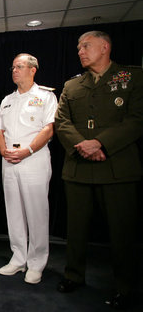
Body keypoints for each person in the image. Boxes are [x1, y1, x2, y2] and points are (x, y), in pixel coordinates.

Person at [55, 31, 143, 309]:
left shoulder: (133, 78)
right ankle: (74, 276)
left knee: (121, 232)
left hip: (116, 167)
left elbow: (137, 120)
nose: (80, 51)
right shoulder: (72, 86)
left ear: (105, 47)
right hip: (78, 166)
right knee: (76, 229)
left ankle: (124, 286)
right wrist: (82, 144)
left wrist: (100, 142)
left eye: (86, 46)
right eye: (79, 47)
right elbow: (62, 121)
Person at [0, 54, 57, 284]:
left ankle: (37, 263)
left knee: (37, 213)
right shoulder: (7, 99)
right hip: (9, 160)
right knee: (14, 211)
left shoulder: (46, 96)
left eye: (19, 67)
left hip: (33, 160)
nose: (14, 70)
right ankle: (18, 258)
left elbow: (49, 129)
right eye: (13, 67)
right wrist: (2, 151)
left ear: (33, 70)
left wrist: (27, 151)